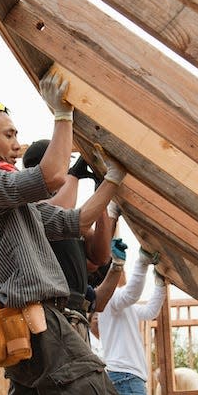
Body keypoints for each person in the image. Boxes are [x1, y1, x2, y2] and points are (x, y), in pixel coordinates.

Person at [0, 69, 124, 395]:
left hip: (27, 325)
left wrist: (112, 181)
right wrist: (63, 115)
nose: (17, 145)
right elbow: (51, 175)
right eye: (9, 135)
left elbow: (77, 222)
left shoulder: (17, 206)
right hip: (34, 318)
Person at [21, 140, 117, 341]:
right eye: (62, 164)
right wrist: (75, 174)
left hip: (74, 315)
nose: (65, 172)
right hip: (51, 316)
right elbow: (59, 209)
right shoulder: (28, 206)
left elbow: (100, 255)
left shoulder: (70, 217)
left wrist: (99, 199)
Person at [96, 246, 166, 395]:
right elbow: (131, 294)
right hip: (126, 375)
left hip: (125, 375)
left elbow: (149, 312)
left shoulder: (117, 303)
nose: (123, 273)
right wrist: (142, 263)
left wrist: (160, 286)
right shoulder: (112, 298)